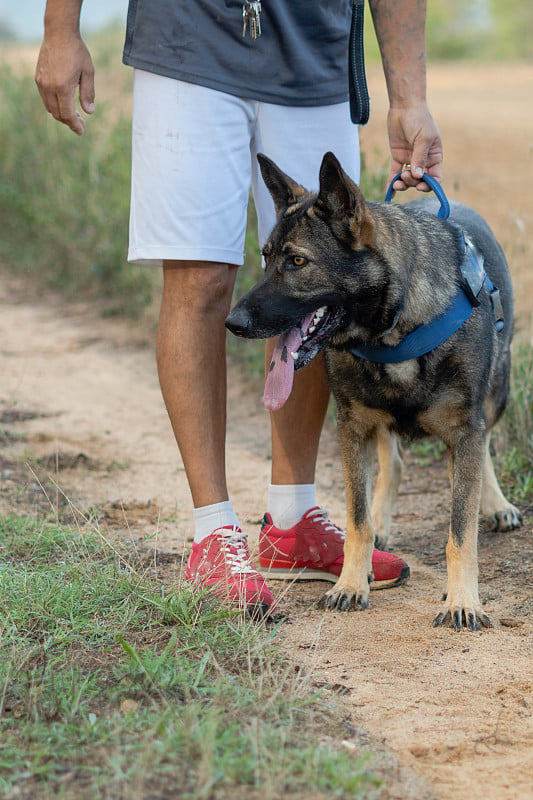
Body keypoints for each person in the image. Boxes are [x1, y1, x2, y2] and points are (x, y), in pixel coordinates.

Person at [35, 1, 443, 615]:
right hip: (188, 40)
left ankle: (293, 519)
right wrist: (60, 29)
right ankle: (211, 530)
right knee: (200, 279)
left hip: (316, 52)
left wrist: (408, 95)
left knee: (322, 284)